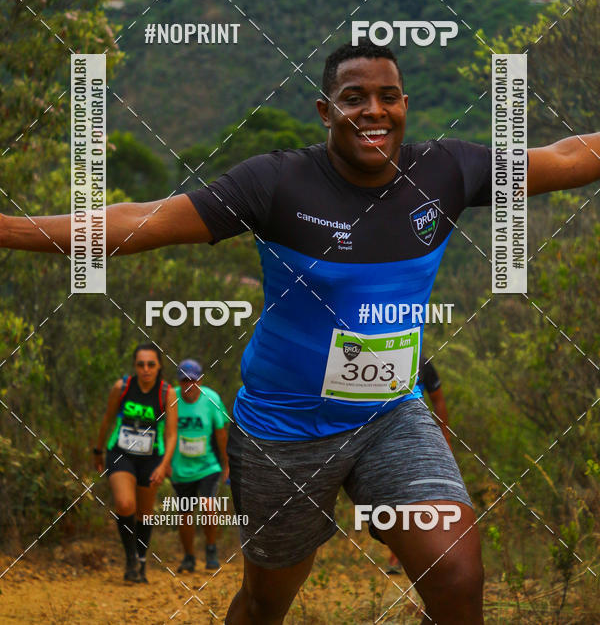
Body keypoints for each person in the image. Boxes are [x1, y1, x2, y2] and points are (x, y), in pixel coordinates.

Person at [3, 39, 600, 624]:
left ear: (405, 105)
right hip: (282, 431)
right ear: (325, 110)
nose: (373, 111)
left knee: (458, 578)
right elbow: (140, 220)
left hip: (390, 415)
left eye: (388, 97)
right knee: (266, 604)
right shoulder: (277, 183)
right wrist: (8, 229)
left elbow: (568, 157)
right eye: (354, 97)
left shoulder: (446, 172)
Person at [94, 342, 177, 583]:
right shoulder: (122, 387)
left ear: (159, 366)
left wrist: (163, 465)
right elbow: (107, 419)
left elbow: (172, 434)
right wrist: (98, 450)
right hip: (121, 453)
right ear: (134, 366)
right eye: (141, 365)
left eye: (151, 364)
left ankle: (141, 559)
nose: (146, 369)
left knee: (145, 512)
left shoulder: (167, 393)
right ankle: (130, 558)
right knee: (124, 503)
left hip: (151, 458)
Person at [388, 354, 450, 574]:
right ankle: (398, 556)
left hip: (417, 437)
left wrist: (445, 439)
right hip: (387, 439)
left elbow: (438, 400)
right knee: (396, 496)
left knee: (420, 495)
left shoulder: (423, 363)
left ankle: (416, 556)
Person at [171, 358, 229, 572]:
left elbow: (221, 433)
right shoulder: (171, 398)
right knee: (185, 514)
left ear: (200, 381)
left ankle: (211, 549)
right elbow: (164, 432)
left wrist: (227, 464)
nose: (189, 386)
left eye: (193, 381)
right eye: (184, 381)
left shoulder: (211, 398)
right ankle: (189, 557)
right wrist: (164, 463)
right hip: (181, 468)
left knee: (208, 506)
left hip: (208, 466)